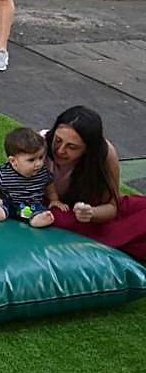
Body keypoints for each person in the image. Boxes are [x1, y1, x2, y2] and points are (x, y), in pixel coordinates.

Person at [40, 106, 146, 261]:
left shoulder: (105, 154)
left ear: (88, 149)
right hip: (53, 211)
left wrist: (91, 213)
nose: (61, 150)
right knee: (60, 219)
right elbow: (11, 180)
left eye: (72, 147)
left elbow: (112, 207)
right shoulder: (38, 144)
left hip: (89, 212)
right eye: (57, 141)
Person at [0, 127, 57, 228]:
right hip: (8, 202)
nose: (38, 163)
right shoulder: (3, 172)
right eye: (31, 160)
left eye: (41, 157)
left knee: (40, 210)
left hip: (30, 205)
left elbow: (50, 184)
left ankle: (37, 219)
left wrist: (54, 199)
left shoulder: (42, 173)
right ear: (13, 161)